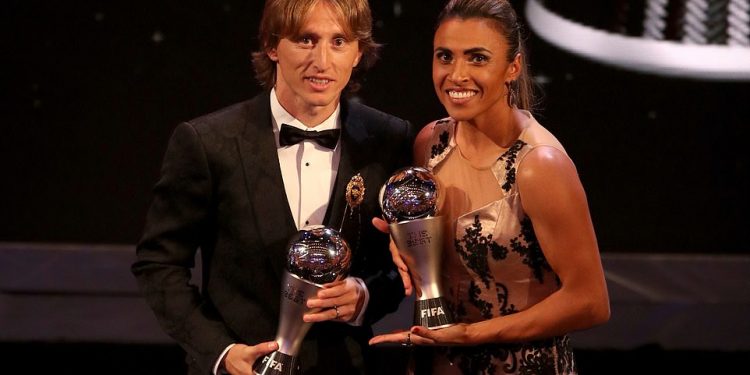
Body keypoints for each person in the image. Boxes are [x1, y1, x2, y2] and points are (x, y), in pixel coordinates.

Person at [131, 0, 414, 374]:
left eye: (339, 41)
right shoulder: (207, 142)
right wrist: (221, 352)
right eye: (306, 39)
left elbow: (403, 264)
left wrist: (365, 296)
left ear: (359, 52)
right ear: (271, 45)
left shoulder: (388, 139)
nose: (323, 61)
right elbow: (158, 263)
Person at [369, 0, 611, 374]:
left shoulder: (539, 166)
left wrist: (470, 335)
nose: (456, 75)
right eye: (445, 56)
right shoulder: (429, 144)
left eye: (477, 58)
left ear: (512, 67)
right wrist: (401, 241)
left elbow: (591, 301)